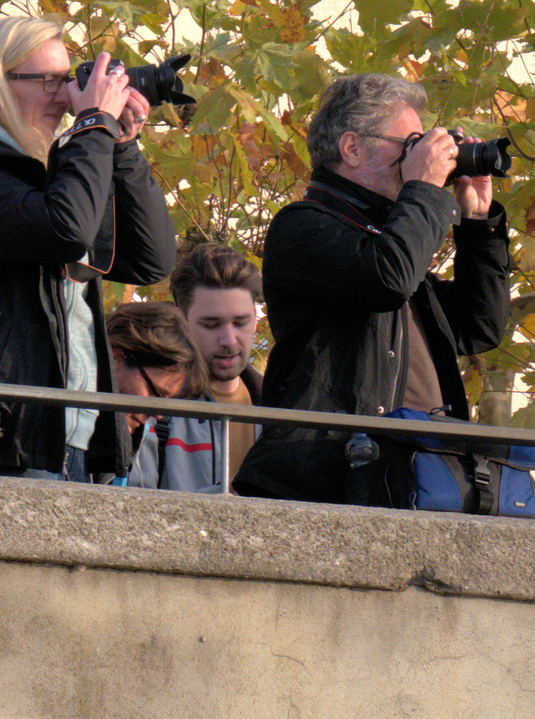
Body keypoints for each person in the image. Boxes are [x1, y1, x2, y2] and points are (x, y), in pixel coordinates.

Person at [0, 16, 176, 481]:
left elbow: (150, 259)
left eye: (68, 79)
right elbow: (66, 231)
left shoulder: (59, 175)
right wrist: (94, 124)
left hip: (64, 443)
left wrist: (122, 147)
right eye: (50, 81)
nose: (64, 96)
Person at [234, 73, 512, 503]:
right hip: (336, 480)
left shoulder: (392, 244)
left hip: (421, 478)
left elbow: (479, 328)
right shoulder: (302, 227)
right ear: (352, 148)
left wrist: (477, 223)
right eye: (410, 144)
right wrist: (422, 189)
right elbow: (387, 279)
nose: (418, 157)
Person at [168, 243, 266, 487]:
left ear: (255, 319)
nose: (229, 340)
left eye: (240, 322)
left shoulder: (280, 406)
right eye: (211, 325)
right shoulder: (157, 409)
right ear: (181, 321)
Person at [107, 301, 222, 492]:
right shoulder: (59, 417)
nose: (158, 414)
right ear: (116, 358)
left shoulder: (141, 435)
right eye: (155, 393)